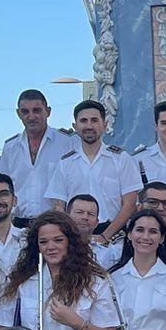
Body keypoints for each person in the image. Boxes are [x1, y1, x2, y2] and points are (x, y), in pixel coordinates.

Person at [46, 98, 137, 244]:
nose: (89, 125)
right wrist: (72, 235)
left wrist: (105, 236)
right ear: (75, 126)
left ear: (104, 125)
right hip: (75, 238)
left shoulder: (121, 159)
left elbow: (130, 204)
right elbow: (58, 206)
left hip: (113, 239)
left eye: (94, 120)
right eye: (83, 121)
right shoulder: (65, 163)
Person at [0, 89, 79, 222]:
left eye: (37, 110)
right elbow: (3, 186)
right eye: (25, 112)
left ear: (48, 111)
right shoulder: (10, 147)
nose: (31, 116)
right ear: (18, 114)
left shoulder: (68, 141)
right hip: (18, 223)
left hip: (55, 222)